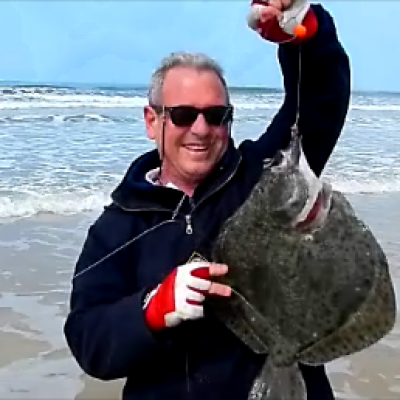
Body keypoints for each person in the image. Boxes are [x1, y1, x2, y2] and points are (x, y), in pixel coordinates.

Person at [63, 1, 350, 399]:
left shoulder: (266, 175)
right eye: (183, 115)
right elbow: (88, 339)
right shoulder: (116, 226)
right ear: (152, 121)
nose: (200, 129)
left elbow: (319, 100)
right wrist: (152, 310)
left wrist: (302, 28)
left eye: (216, 116)